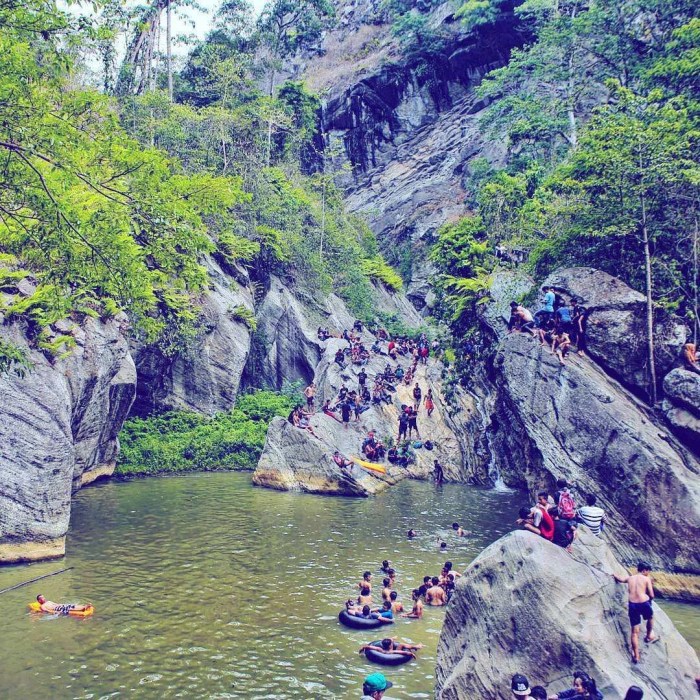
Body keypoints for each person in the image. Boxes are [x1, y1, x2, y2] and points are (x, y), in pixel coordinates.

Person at [614, 561, 658, 663]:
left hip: (633, 605)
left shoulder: (630, 578)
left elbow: (620, 579)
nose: (648, 573)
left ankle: (636, 656)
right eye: (648, 571)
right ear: (644, 570)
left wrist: (614, 574)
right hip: (643, 603)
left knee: (634, 632)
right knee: (650, 617)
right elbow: (652, 595)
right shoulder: (646, 579)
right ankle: (648, 636)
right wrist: (648, 598)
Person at [359, 637, 423, 659]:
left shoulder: (380, 649)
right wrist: (412, 654)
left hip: (385, 652)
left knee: (390, 640)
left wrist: (362, 649)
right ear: (390, 645)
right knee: (402, 644)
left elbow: (367, 646)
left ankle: (392, 638)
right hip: (393, 655)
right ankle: (416, 647)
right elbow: (404, 652)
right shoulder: (392, 651)